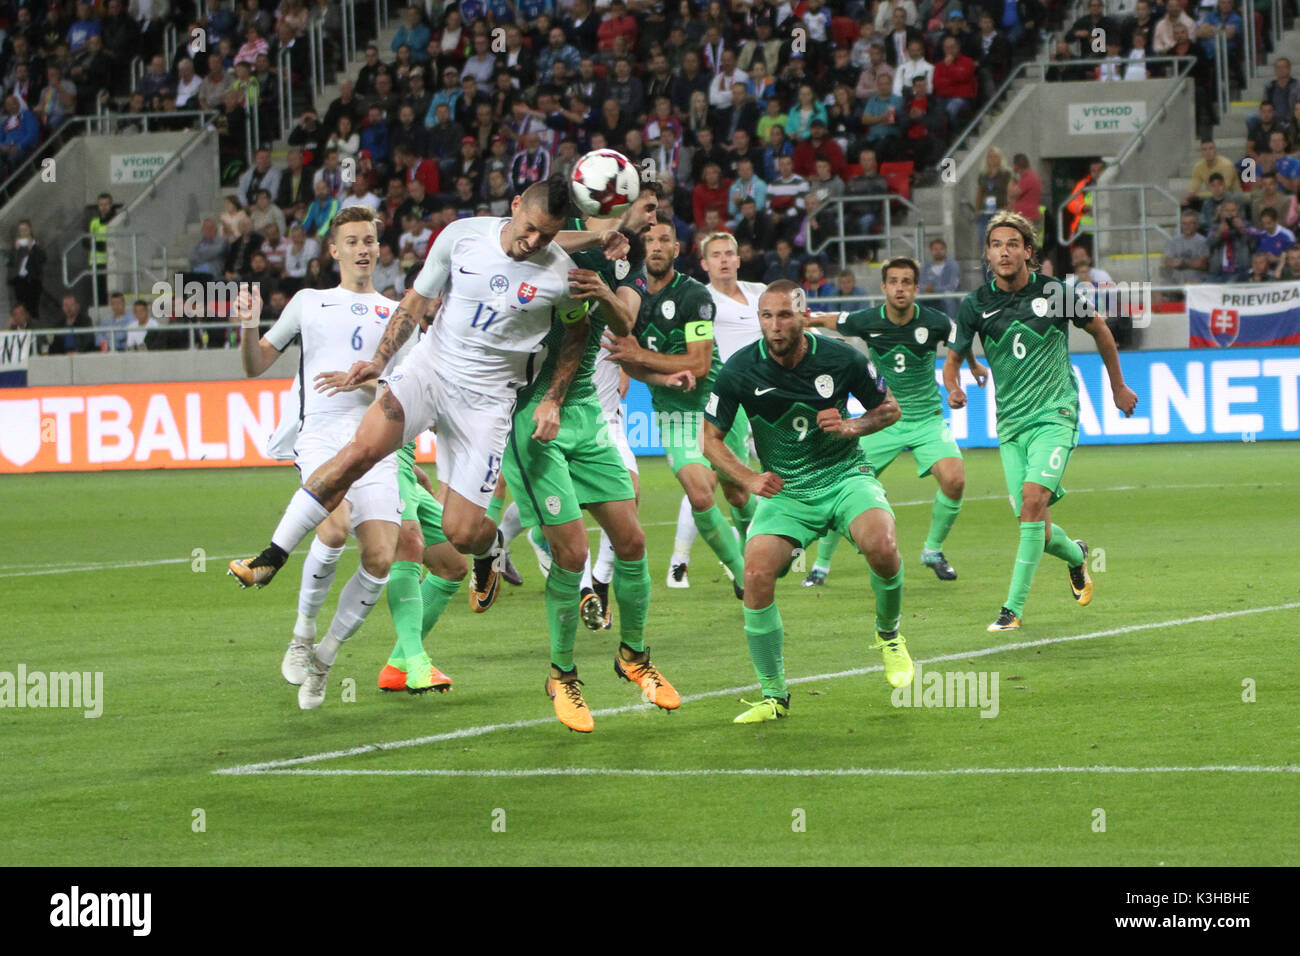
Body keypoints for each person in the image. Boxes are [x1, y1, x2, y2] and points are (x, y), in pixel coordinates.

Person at [228, 180, 616, 644]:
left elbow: (576, 337)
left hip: (488, 402)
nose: (533, 242)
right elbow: (416, 301)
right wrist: (379, 361)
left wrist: (552, 397)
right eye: (529, 228)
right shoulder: (461, 237)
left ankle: (490, 548)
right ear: (514, 208)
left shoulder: (561, 274)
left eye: (547, 235)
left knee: (461, 532)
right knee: (359, 451)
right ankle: (271, 555)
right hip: (428, 372)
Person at [499, 186, 681, 732]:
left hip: (583, 413)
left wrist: (603, 289)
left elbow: (625, 324)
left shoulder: (620, 260)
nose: (653, 221)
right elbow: (517, 251)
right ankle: (562, 674)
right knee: (572, 554)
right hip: (530, 409)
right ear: (613, 196)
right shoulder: (557, 234)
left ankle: (634, 658)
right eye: (647, 209)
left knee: (632, 541)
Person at [700, 280, 913, 724]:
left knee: (883, 547)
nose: (775, 326)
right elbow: (711, 441)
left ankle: (889, 635)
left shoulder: (842, 357)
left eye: (784, 316)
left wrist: (852, 426)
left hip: (843, 477)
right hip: (788, 491)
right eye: (766, 316)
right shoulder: (740, 369)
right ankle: (774, 697)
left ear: (803, 315)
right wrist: (749, 477)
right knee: (756, 574)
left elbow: (889, 409)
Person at [233, 207, 420, 706]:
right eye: (352, 241)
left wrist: (374, 378)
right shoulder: (309, 302)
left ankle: (324, 657)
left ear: (380, 248)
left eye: (370, 241)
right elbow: (254, 365)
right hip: (320, 433)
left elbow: (412, 387)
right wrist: (248, 325)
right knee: (334, 528)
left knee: (381, 557)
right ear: (333, 250)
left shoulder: (400, 315)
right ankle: (301, 634)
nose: (363, 249)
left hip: (375, 438)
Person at [944, 211, 1138, 632]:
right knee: (1036, 525)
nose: (1005, 251)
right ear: (988, 255)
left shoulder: (1056, 292)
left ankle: (1011, 611)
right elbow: (953, 359)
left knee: (1032, 502)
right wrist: (953, 388)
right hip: (1011, 427)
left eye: (1013, 243)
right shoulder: (975, 304)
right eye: (996, 244)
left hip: (1055, 413)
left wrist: (1118, 387)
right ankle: (1076, 556)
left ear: (1028, 252)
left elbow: (1101, 331)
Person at [803, 256, 989, 586]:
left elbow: (958, 343)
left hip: (926, 419)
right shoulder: (868, 319)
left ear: (917, 288)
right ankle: (821, 565)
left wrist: (967, 371)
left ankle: (933, 550)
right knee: (844, 489)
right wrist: (806, 321)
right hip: (882, 419)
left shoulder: (935, 321)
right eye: (894, 282)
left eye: (907, 282)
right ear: (884, 287)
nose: (900, 288)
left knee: (955, 480)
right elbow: (833, 320)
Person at [602, 213, 755, 598]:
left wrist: (640, 356)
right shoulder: (627, 301)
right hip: (673, 414)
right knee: (699, 491)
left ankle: (756, 547)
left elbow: (700, 364)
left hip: (717, 407)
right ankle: (745, 575)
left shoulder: (694, 297)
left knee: (738, 494)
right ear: (640, 249)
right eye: (649, 240)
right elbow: (627, 361)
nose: (656, 246)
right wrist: (655, 374)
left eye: (664, 240)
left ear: (676, 248)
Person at [665, 231, 770, 588]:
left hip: (763, 401)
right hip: (719, 399)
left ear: (739, 259)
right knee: (703, 480)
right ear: (704, 264)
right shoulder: (697, 298)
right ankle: (680, 560)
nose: (725, 259)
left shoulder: (759, 293)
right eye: (717, 255)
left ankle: (757, 553)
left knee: (742, 488)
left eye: (730, 253)